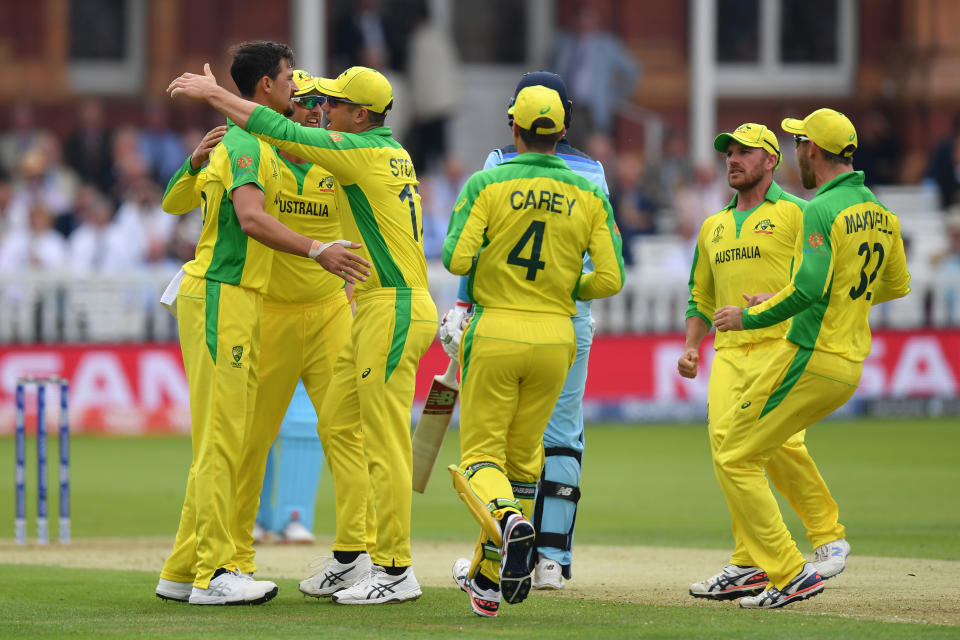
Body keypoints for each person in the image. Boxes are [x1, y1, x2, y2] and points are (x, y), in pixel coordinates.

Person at [168, 63, 438, 605]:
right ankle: (277, 558)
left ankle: (378, 560)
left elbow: (296, 140)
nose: (318, 108)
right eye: (308, 96)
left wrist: (216, 95)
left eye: (329, 102)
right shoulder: (273, 148)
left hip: (357, 307)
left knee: (364, 436)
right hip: (288, 310)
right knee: (277, 434)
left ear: (357, 115)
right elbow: (184, 199)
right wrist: (198, 160)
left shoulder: (343, 156)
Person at [155, 42, 370, 607]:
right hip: (224, 293)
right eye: (290, 83)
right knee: (224, 442)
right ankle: (214, 573)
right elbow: (247, 219)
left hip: (241, 298)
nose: (302, 96)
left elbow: (180, 205)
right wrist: (318, 250)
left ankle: (182, 570)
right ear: (268, 90)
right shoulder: (246, 142)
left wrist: (201, 159)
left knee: (223, 440)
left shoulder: (251, 141)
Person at [711, 108, 911, 608]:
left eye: (800, 142)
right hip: (848, 362)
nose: (798, 149)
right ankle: (807, 547)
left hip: (811, 354)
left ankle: (786, 570)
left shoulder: (820, 208)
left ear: (813, 152)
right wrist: (824, 301)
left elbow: (809, 287)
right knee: (759, 447)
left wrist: (751, 316)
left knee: (734, 455)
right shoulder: (881, 213)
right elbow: (896, 285)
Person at [443, 84, 624, 617]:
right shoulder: (589, 190)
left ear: (512, 127)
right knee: (526, 460)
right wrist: (565, 288)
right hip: (558, 335)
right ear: (563, 129)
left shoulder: (486, 181)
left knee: (480, 458)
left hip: (498, 330)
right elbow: (610, 278)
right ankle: (491, 575)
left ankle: (507, 521)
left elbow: (457, 257)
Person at [679, 123, 851, 602]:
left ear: (771, 159)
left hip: (782, 344)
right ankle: (748, 562)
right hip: (729, 353)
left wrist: (773, 298)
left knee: (779, 446)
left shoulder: (800, 212)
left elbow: (823, 276)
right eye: (728, 152)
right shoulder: (713, 226)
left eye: (744, 152)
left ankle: (827, 535)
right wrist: (692, 346)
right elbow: (700, 297)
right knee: (730, 452)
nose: (732, 159)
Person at [549, 5, 640, 148]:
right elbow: (550, 68)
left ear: (596, 21)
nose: (584, 23)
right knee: (565, 147)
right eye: (581, 18)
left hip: (593, 109)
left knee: (594, 149)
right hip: (567, 107)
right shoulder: (563, 43)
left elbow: (631, 70)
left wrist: (615, 95)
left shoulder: (607, 45)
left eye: (588, 18)